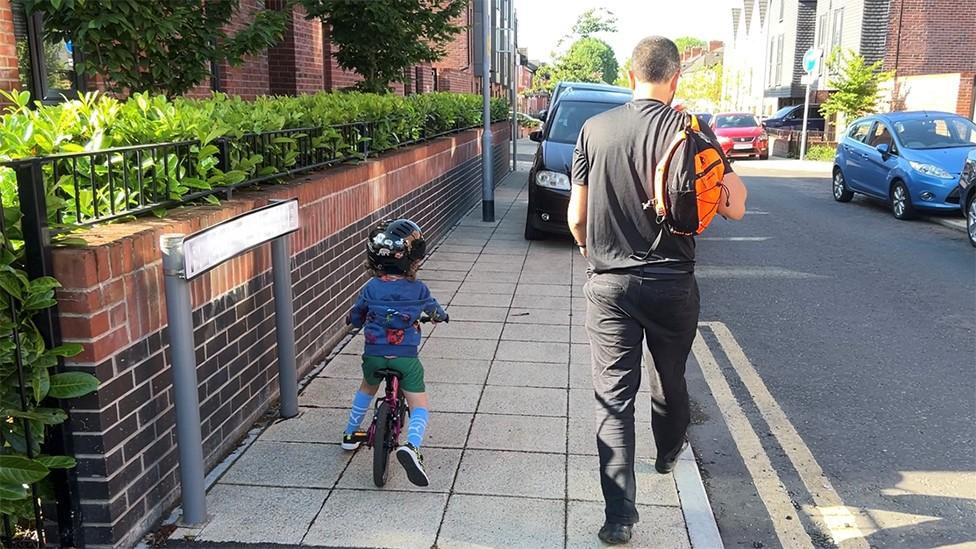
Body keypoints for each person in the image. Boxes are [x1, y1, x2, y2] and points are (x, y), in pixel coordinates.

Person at [567, 36, 748, 544]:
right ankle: (668, 453)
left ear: (630, 75)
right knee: (669, 377)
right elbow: (735, 205)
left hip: (609, 286)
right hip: (673, 284)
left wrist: (590, 251)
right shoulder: (692, 129)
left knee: (612, 397)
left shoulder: (593, 130)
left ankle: (619, 515)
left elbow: (576, 216)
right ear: (675, 79)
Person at [340, 218, 449, 487]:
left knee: (367, 388)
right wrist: (439, 316)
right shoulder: (419, 290)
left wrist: (353, 321)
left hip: (374, 354)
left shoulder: (370, 288)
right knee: (419, 405)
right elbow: (435, 311)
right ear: (413, 260)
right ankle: (411, 446)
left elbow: (357, 315)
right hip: (406, 358)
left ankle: (351, 432)